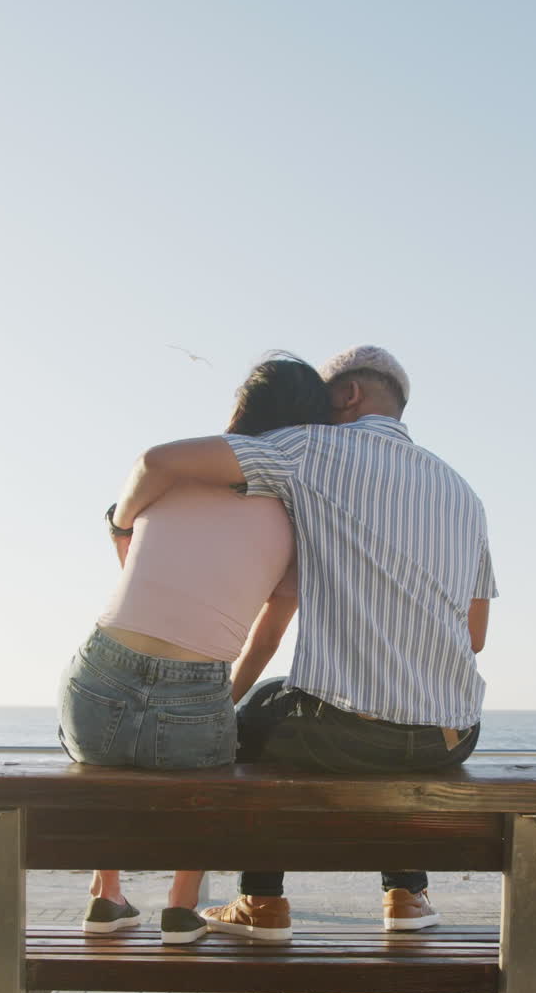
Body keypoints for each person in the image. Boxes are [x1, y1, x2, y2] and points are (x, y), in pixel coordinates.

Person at [107, 344, 497, 940]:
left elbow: (158, 462)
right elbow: (473, 637)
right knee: (382, 732)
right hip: (453, 736)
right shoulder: (464, 493)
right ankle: (406, 894)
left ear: (348, 395)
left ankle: (260, 902)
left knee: (262, 714)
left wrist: (120, 525)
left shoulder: (313, 446)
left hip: (344, 732)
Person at [57, 355, 332, 942]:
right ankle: (180, 910)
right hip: (199, 687)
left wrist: (121, 525)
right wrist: (222, 697)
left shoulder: (175, 476)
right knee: (213, 777)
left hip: (100, 677)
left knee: (100, 769)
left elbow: (135, 536)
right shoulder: (300, 514)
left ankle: (107, 895)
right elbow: (273, 627)